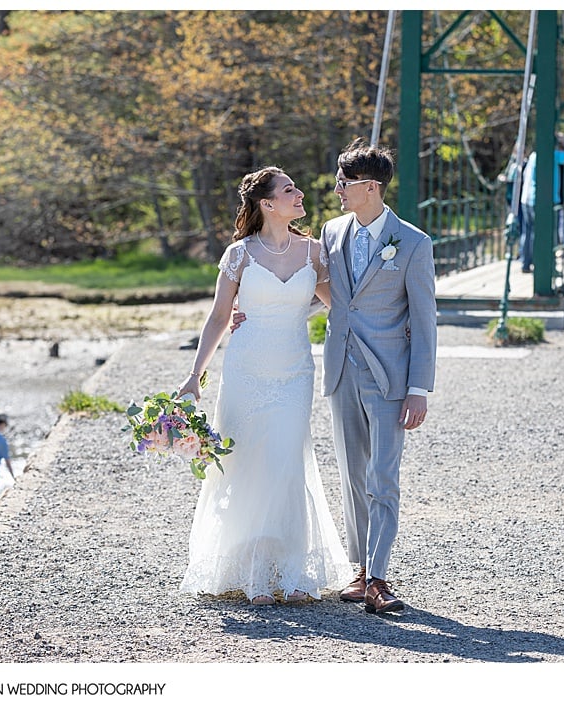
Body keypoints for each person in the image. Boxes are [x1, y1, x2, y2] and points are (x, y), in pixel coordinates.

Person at [175, 166, 351, 606]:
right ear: (267, 204)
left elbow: (339, 307)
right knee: (246, 462)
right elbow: (218, 316)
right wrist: (194, 378)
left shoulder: (314, 253)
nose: (300, 193)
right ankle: (246, 566)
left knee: (286, 460)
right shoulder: (239, 255)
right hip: (245, 370)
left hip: (294, 371)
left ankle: (290, 571)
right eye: (290, 189)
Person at [320, 138, 438, 614]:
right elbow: (326, 294)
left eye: (344, 184)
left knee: (382, 477)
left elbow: (426, 319)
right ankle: (359, 571)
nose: (337, 191)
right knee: (351, 475)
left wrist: (418, 389)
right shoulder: (330, 233)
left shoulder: (412, 243)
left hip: (391, 377)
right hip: (340, 369)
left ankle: (381, 577)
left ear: (370, 187)